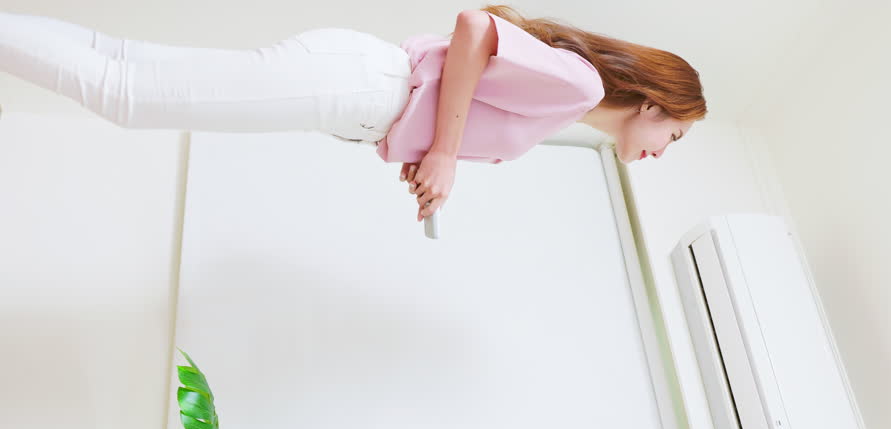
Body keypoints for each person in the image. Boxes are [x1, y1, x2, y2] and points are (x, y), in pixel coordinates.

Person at [0, 5, 706, 224]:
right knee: (127, 96)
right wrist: (438, 153)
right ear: (653, 104)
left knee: (126, 63)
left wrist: (431, 149)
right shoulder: (580, 88)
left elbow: (461, 75)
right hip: (359, 86)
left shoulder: (568, 104)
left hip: (361, 85)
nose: (661, 151)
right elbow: (474, 27)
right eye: (672, 135)